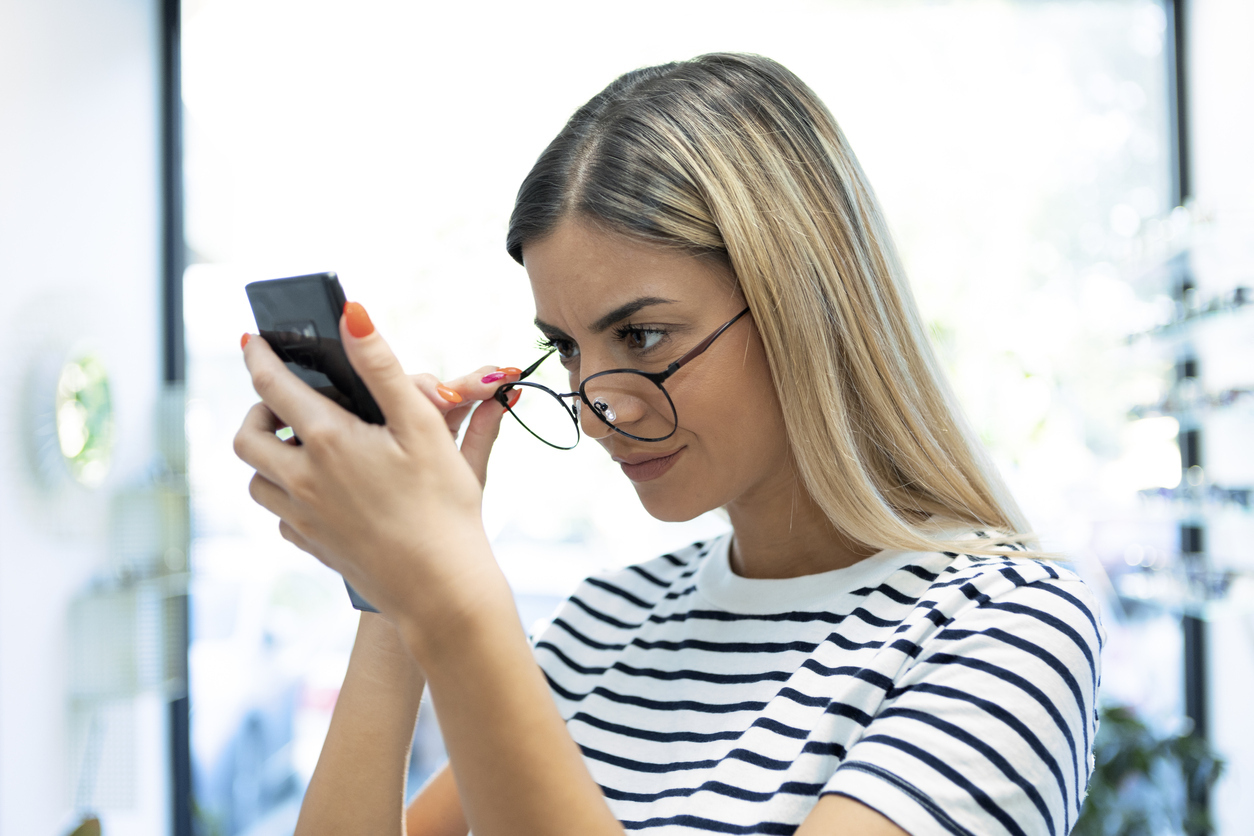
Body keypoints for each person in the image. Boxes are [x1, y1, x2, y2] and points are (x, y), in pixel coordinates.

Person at [234, 53, 1102, 836]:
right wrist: (390, 595)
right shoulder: (605, 623)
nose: (596, 410)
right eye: (567, 348)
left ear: (801, 306)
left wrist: (450, 598)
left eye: (642, 337)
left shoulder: (1002, 628)